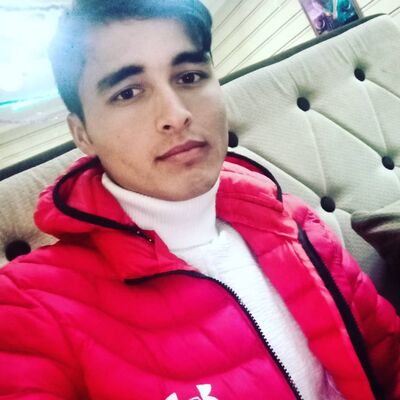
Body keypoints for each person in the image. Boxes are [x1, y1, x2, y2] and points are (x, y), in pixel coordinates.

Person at [0, 1, 398, 399]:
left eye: (189, 76)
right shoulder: (29, 304)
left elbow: (389, 358)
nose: (176, 115)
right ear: (83, 134)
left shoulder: (294, 223)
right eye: (128, 92)